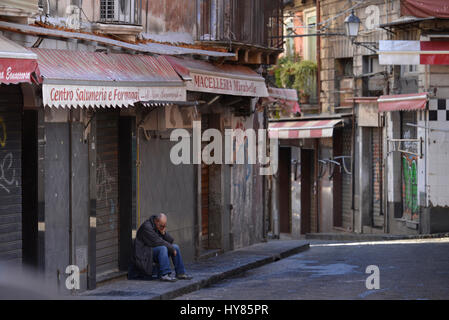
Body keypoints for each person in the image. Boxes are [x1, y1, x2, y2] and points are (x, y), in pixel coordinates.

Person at [128, 213, 193, 282]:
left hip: (152, 250)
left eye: (164, 226)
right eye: (162, 226)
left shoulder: (159, 226)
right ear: (156, 221)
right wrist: (171, 248)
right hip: (144, 253)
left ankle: (180, 273)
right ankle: (165, 274)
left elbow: (170, 241)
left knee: (175, 247)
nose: (163, 227)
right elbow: (157, 241)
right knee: (163, 248)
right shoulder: (146, 227)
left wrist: (164, 233)